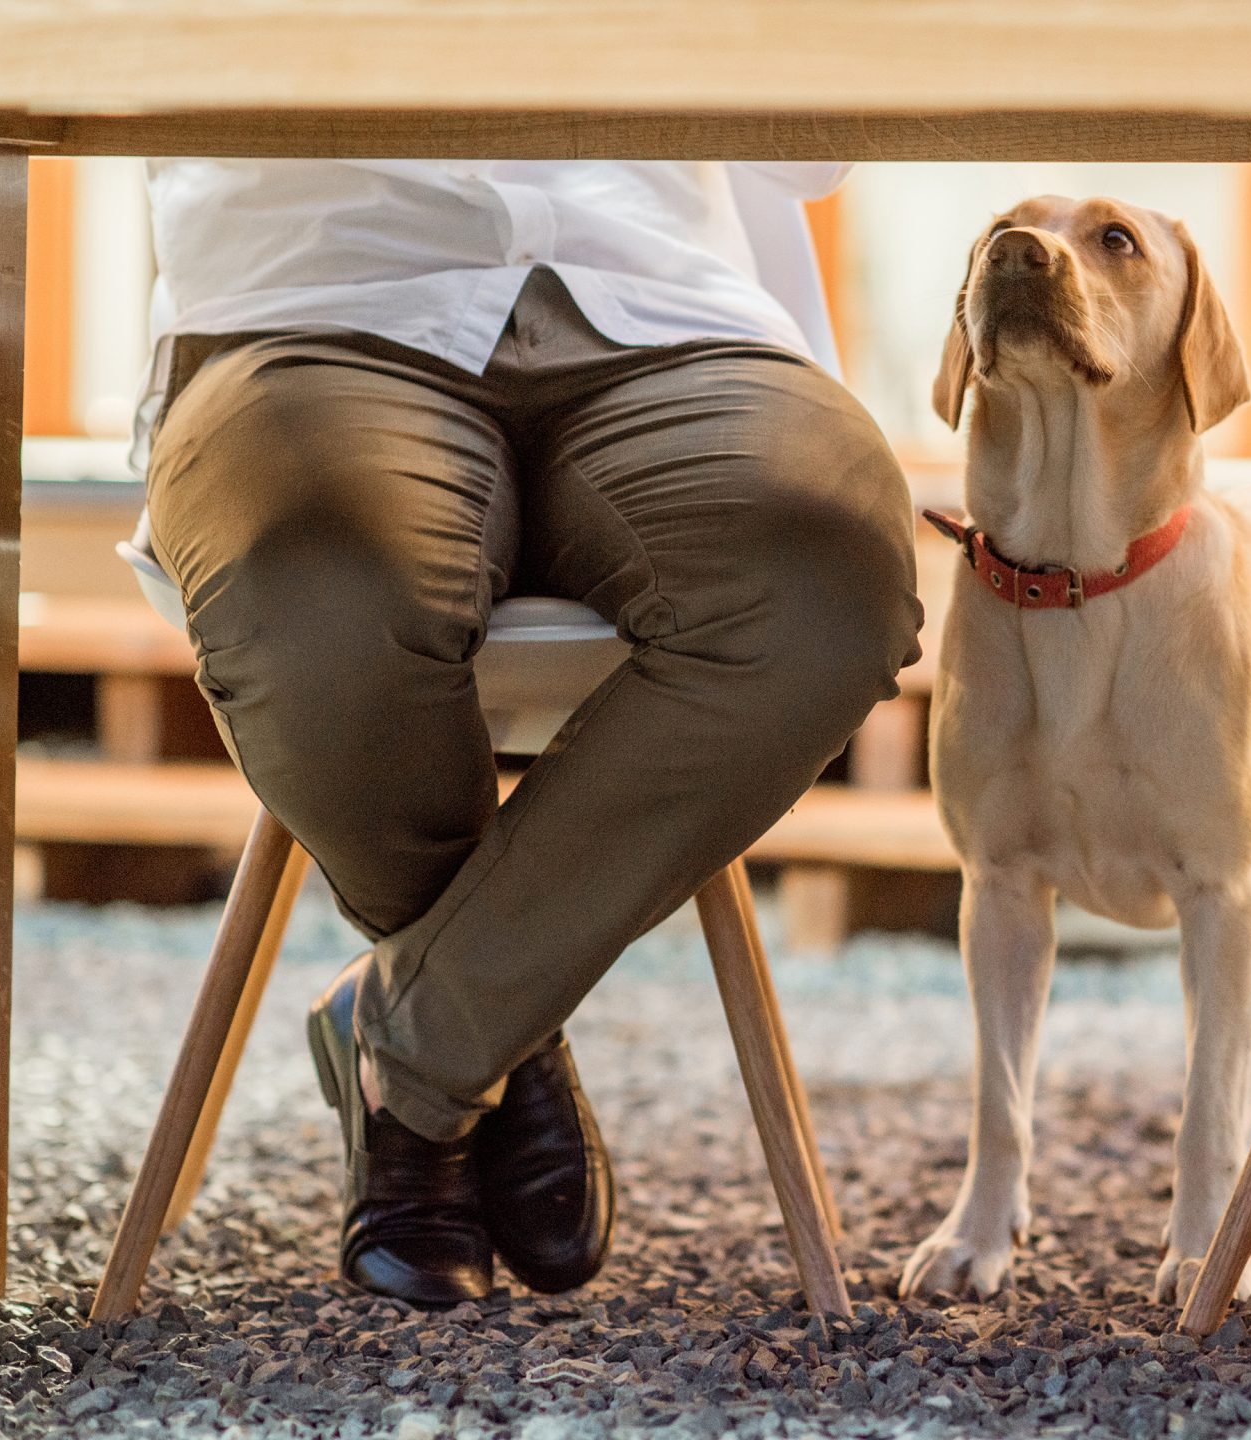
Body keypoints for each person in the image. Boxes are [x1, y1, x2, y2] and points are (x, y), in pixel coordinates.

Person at [136, 159, 921, 1306]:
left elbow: (810, 146)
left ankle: (416, 1050)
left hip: (668, 307)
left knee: (822, 586)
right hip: (314, 298)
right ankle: (497, 1030)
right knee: (316, 590)